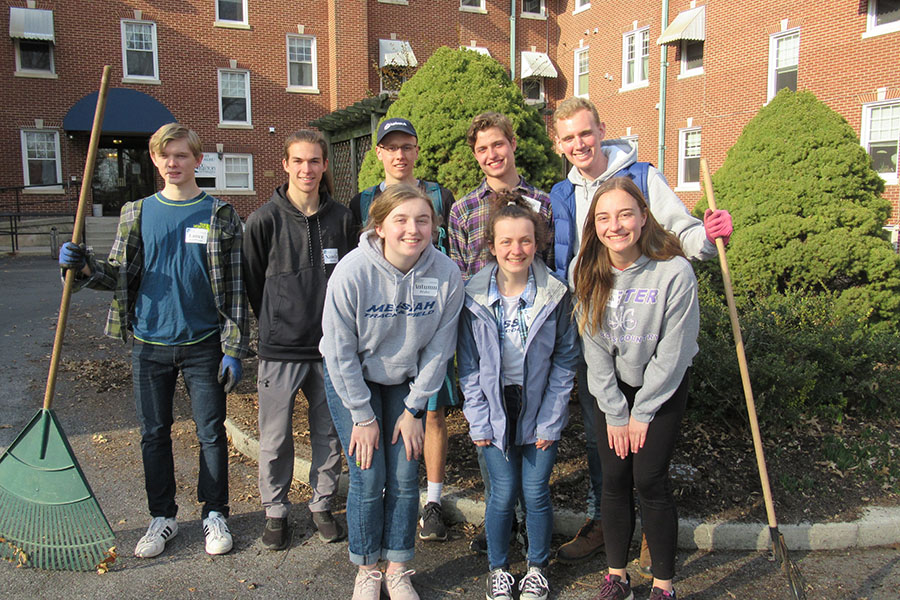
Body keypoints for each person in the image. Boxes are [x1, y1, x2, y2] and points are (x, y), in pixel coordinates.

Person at [551, 97, 732, 569]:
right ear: (558, 143)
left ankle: (652, 537)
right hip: (596, 326)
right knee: (602, 446)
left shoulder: (645, 176)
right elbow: (567, 261)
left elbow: (682, 231)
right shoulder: (562, 194)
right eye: (568, 138)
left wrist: (709, 240)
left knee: (649, 468)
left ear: (601, 130)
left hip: (648, 330)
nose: (579, 144)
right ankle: (604, 525)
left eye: (585, 133)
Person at [58, 123, 249, 558]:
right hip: (149, 342)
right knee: (153, 434)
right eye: (165, 156)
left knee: (210, 433)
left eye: (182, 155)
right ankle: (162, 517)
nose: (173, 163)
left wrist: (235, 348)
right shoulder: (137, 212)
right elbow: (120, 275)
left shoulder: (220, 214)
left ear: (198, 160)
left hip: (204, 342)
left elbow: (236, 287)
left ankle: (215, 513)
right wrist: (84, 267)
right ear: (155, 160)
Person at [321, 184, 464, 600]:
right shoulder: (352, 272)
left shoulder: (445, 274)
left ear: (434, 226)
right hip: (355, 378)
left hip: (406, 380)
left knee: (404, 475)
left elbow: (440, 348)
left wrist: (415, 409)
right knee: (368, 475)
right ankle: (368, 568)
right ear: (380, 226)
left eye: (422, 220)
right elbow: (338, 350)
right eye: (400, 220)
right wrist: (363, 418)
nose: (412, 230)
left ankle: (398, 567)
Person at [573, 177, 699, 600]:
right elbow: (592, 345)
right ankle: (617, 577)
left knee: (649, 479)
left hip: (661, 386)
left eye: (626, 213)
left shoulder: (674, 271)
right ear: (594, 224)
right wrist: (614, 410)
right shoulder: (584, 269)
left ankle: (663, 585)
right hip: (609, 387)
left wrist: (642, 412)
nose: (616, 225)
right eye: (604, 217)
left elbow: (675, 350)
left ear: (644, 217)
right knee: (614, 477)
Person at [457, 192, 577, 600]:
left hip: (539, 405)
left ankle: (537, 567)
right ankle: (499, 568)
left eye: (525, 240)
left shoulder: (555, 294)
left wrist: (551, 419)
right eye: (506, 241)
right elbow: (469, 366)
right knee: (503, 491)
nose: (516, 249)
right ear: (491, 245)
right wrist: (478, 418)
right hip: (493, 408)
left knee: (536, 490)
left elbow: (565, 361)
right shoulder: (472, 296)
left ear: (539, 241)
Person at [242, 130, 356, 550]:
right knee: (274, 438)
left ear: (325, 165)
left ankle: (322, 503)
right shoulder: (263, 221)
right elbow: (254, 282)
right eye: (298, 161)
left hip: (331, 350)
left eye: (314, 161)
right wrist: (275, 320)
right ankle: (275, 511)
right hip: (280, 349)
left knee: (328, 434)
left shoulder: (343, 220)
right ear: (286, 164)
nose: (306, 169)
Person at [449, 111, 555, 554]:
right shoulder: (462, 210)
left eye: (498, 144)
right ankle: (502, 522)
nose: (492, 155)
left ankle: (533, 530)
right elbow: (457, 275)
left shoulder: (543, 203)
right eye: (482, 149)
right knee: (491, 442)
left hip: (532, 334)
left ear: (513, 144)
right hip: (484, 336)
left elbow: (553, 266)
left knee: (534, 441)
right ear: (475, 156)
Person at [350, 117, 458, 542]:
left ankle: (432, 502)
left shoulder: (438, 195)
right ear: (378, 153)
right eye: (390, 147)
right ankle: (379, 504)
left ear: (417, 150)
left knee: (431, 410)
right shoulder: (362, 201)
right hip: (382, 329)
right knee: (382, 425)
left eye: (406, 146)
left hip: (428, 319)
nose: (399, 154)